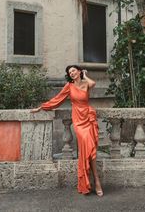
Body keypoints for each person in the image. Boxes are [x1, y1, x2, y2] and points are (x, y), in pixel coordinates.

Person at [31, 65, 103, 197]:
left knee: (91, 150)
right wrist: (41, 107)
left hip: (88, 116)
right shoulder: (69, 87)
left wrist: (85, 75)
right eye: (70, 72)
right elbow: (57, 100)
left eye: (74, 71)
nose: (72, 73)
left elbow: (93, 83)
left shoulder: (86, 83)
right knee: (87, 146)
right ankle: (92, 181)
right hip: (79, 120)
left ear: (79, 72)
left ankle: (97, 181)